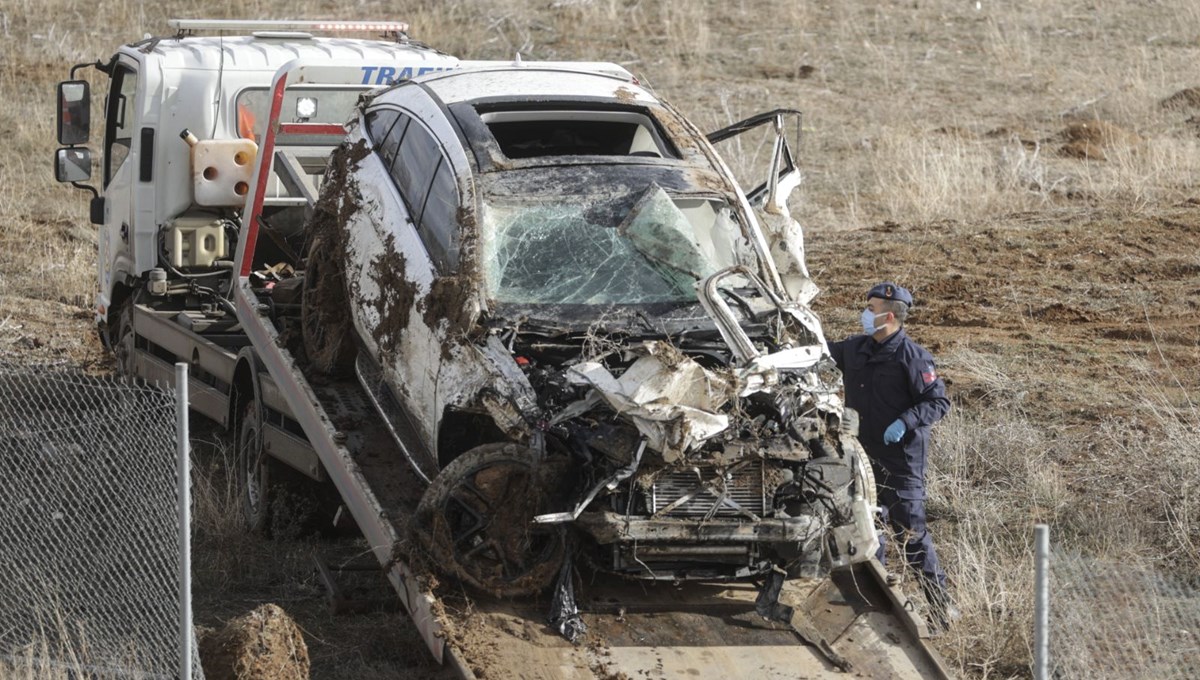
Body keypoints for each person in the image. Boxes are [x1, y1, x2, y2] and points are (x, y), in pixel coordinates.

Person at [827, 282, 958, 630]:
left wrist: (905, 421)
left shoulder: (913, 357)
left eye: (871, 308)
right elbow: (817, 352)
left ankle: (941, 612)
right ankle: (882, 611)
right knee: (869, 534)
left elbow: (937, 402)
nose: (865, 314)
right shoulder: (854, 349)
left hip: (900, 463)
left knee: (912, 535)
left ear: (889, 315)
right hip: (862, 459)